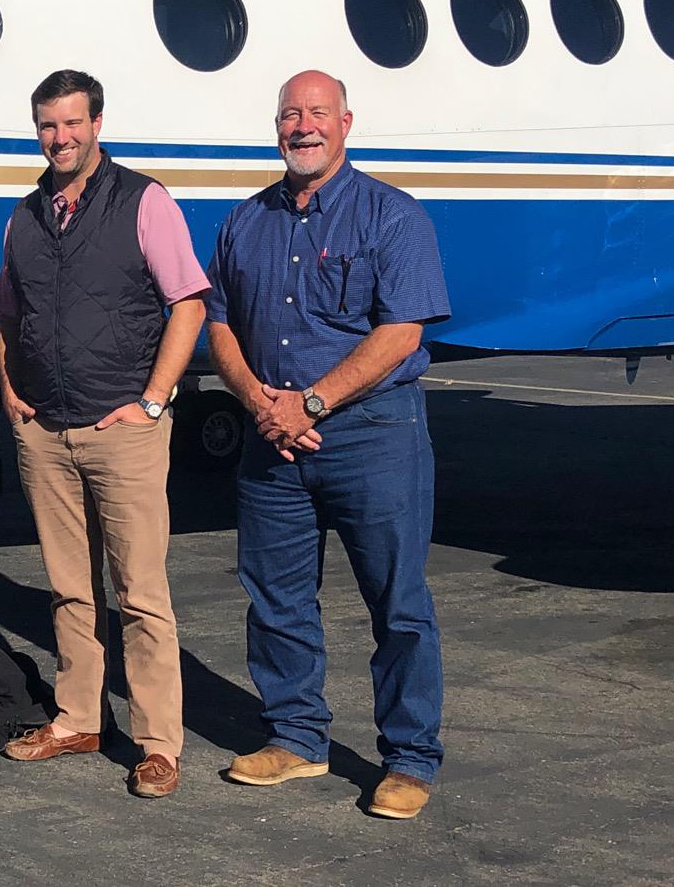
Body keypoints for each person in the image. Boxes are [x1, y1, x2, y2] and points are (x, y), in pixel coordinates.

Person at [204, 70, 451, 821]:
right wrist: (258, 402)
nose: (302, 126)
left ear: (346, 122)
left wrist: (310, 401)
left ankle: (408, 758)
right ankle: (297, 737)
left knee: (398, 603)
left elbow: (402, 329)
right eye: (289, 115)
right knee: (276, 599)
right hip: (272, 442)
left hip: (373, 435)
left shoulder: (392, 216)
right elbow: (218, 320)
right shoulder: (246, 220)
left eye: (316, 113)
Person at [0, 70, 208, 799]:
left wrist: (153, 401)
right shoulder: (24, 216)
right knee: (67, 589)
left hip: (123, 428)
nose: (61, 138)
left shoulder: (144, 201)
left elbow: (187, 303)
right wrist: (14, 392)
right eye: (48, 126)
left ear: (98, 124)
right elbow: (7, 315)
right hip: (46, 431)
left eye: (72, 124)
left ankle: (158, 743)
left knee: (140, 592)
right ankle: (79, 716)